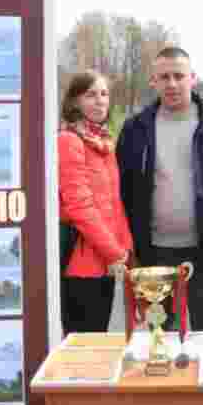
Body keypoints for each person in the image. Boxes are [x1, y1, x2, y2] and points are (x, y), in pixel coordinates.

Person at [117, 47, 203, 331]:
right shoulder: (135, 128)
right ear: (153, 81)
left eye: (179, 76)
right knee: (159, 334)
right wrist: (131, 248)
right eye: (164, 77)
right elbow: (123, 192)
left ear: (193, 78)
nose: (172, 84)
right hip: (153, 252)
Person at [59, 70, 135, 335]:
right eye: (90, 94)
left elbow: (114, 203)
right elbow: (79, 207)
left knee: (100, 338)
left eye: (104, 94)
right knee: (85, 342)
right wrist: (115, 252)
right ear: (74, 101)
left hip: (105, 261)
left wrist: (126, 249)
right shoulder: (69, 141)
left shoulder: (103, 142)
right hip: (81, 264)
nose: (100, 100)